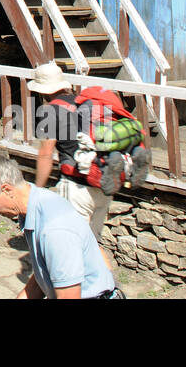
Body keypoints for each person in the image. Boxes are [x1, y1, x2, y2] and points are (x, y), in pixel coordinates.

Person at [0, 153, 121, 299]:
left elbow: (69, 297)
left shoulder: (54, 229)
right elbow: (46, 271)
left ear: (7, 190)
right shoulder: (36, 204)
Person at [29, 62, 150, 239]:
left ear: (42, 91)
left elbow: (46, 154)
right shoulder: (87, 103)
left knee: (72, 243)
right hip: (104, 180)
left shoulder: (51, 111)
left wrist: (38, 189)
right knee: (91, 244)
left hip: (76, 185)